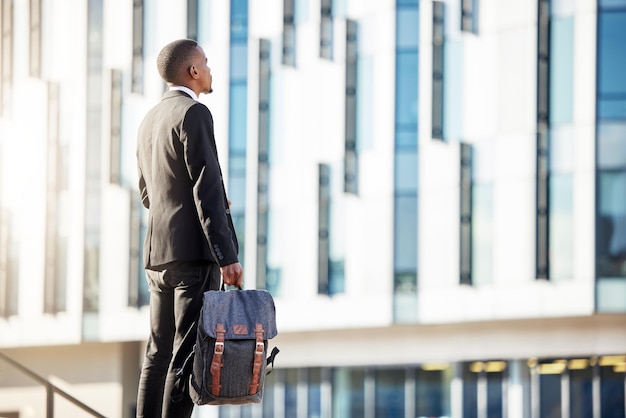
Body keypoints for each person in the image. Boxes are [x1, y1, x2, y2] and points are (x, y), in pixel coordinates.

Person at [135, 39, 243, 418]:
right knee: (186, 354)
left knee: (157, 352)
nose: (210, 70)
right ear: (192, 71)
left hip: (157, 255)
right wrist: (227, 255)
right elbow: (206, 186)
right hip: (194, 256)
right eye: (206, 63)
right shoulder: (194, 112)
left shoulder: (149, 120)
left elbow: (149, 194)